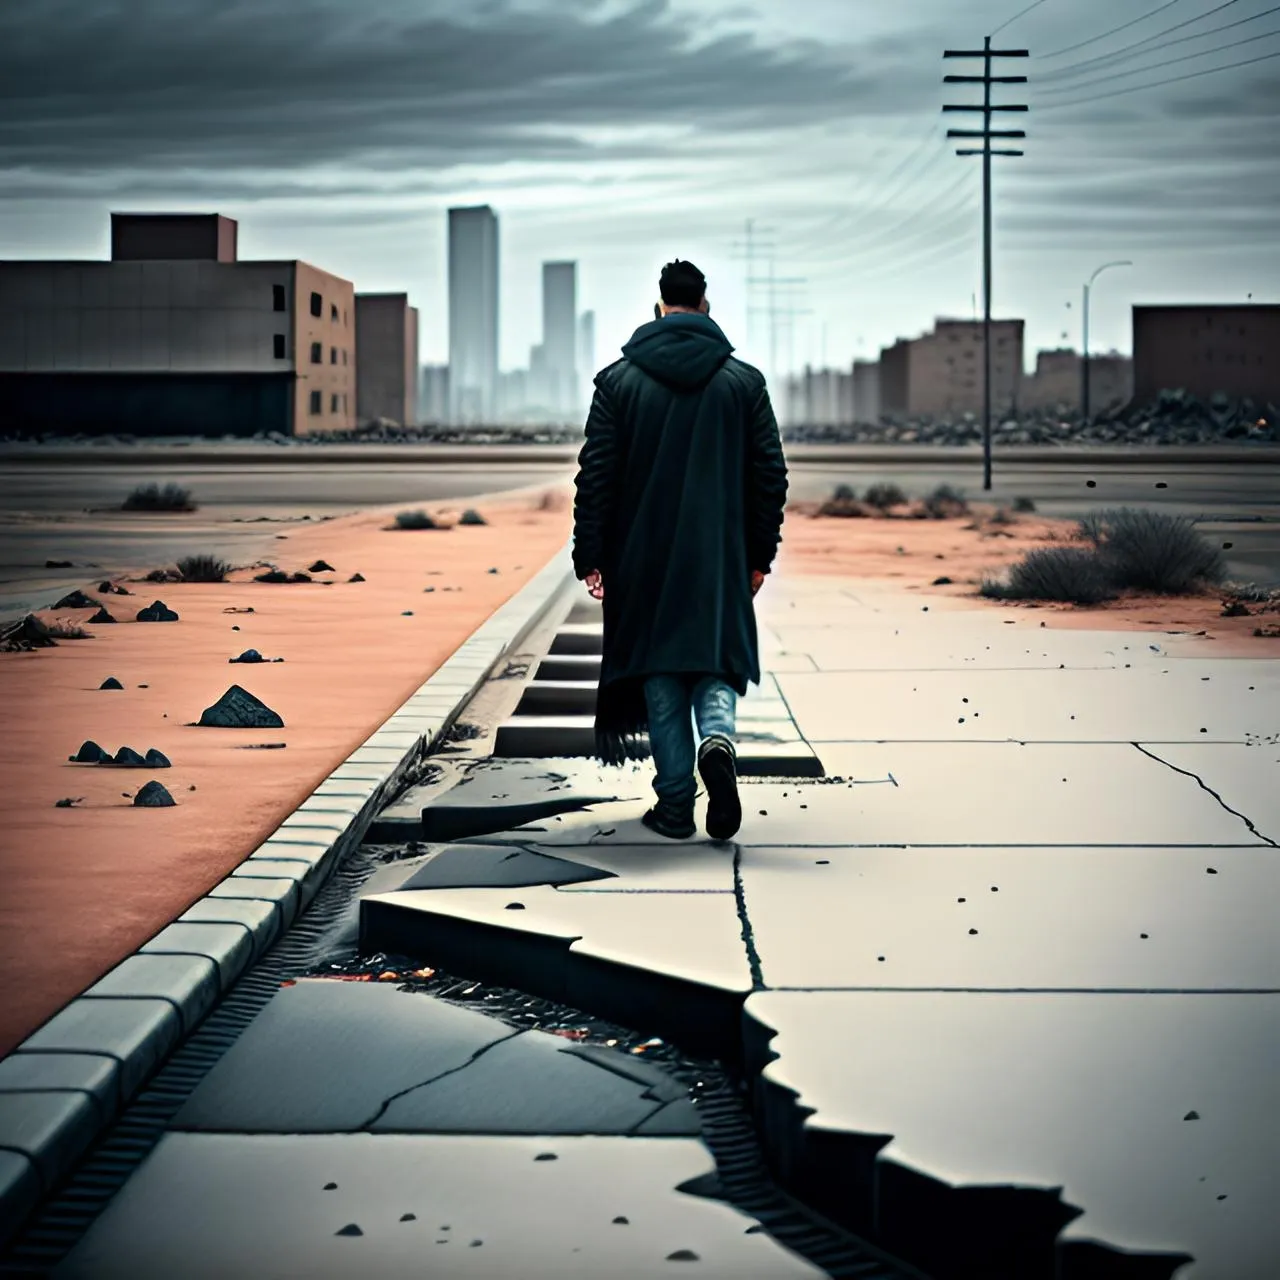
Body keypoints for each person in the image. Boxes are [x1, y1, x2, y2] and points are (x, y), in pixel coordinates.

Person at [571, 259, 788, 841]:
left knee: (660, 673)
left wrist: (590, 555)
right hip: (719, 553)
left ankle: (673, 807)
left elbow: (596, 476)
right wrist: (759, 554)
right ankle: (717, 742)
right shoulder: (744, 383)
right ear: (706, 304)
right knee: (714, 659)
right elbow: (771, 475)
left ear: (659, 305)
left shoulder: (617, 383)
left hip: (641, 557)